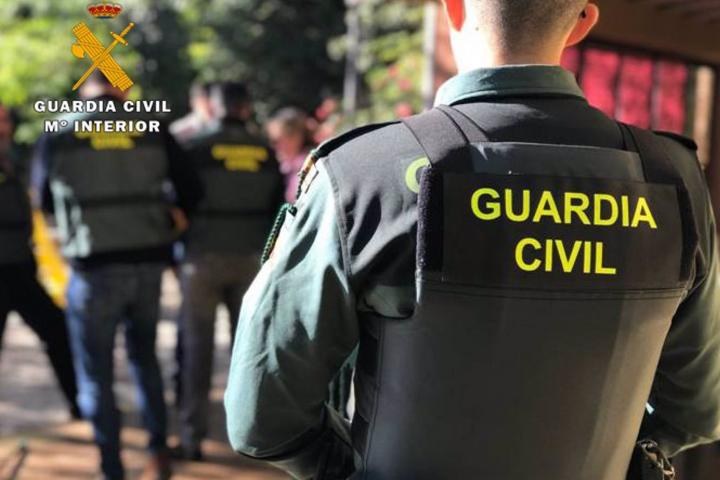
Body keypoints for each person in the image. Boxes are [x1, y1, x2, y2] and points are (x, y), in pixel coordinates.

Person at [224, 1, 720, 479]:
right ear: (582, 21)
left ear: (454, 8)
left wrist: (352, 467)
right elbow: (697, 410)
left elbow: (262, 416)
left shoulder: (364, 173)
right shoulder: (672, 178)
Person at [33, 71, 203, 480]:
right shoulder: (151, 126)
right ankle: (158, 452)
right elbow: (192, 190)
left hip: (92, 268)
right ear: (122, 87)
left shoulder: (58, 130)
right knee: (145, 359)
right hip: (147, 263)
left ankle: (112, 467)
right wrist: (167, 222)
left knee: (96, 374)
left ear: (84, 89)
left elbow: (43, 198)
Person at [173, 82, 283, 461]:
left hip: (201, 260)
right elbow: (277, 210)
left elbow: (178, 202)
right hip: (251, 260)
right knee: (250, 352)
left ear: (211, 107)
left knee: (196, 350)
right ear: (246, 108)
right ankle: (253, 437)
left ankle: (192, 437)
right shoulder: (264, 150)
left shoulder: (195, 148)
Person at [0, 103, 80, 420]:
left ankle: (81, 406)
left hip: (20, 269)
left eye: (5, 120)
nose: (4, 127)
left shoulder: (11, 160)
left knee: (59, 331)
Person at [267, 107, 315, 203]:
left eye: (275, 141)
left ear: (295, 137)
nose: (272, 146)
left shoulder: (308, 167)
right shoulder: (284, 165)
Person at [170, 81, 217, 147]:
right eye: (203, 100)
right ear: (193, 102)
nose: (210, 104)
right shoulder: (179, 130)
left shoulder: (222, 123)